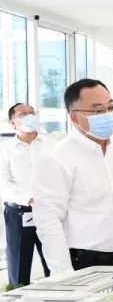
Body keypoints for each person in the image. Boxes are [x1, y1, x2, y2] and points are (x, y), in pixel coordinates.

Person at [32, 79, 113, 273]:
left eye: (110, 107)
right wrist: (65, 276)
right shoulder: (57, 158)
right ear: (75, 117)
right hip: (86, 265)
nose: (108, 114)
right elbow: (48, 221)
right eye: (99, 110)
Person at [0, 103, 56, 286]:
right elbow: (3, 184)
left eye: (32, 113)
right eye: (23, 114)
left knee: (55, 262)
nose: (30, 116)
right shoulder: (4, 149)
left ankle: (59, 297)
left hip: (50, 211)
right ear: (12, 123)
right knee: (19, 266)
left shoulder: (52, 144)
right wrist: (29, 199)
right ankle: (17, 300)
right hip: (19, 213)